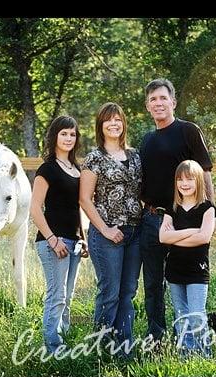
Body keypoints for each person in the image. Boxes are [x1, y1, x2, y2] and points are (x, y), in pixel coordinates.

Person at [139, 78, 215, 343]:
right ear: (147, 107)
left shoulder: (188, 131)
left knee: (187, 279)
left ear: (173, 101)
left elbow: (204, 172)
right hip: (151, 220)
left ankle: (191, 341)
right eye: (152, 100)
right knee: (153, 284)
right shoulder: (146, 141)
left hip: (186, 217)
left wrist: (210, 212)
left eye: (162, 98)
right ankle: (157, 337)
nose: (158, 103)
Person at [79, 102, 142, 356]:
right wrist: (105, 230)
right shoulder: (94, 158)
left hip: (135, 233)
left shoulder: (135, 155)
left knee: (128, 292)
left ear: (123, 123)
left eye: (118, 119)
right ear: (101, 125)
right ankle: (102, 349)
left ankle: (124, 348)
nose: (114, 123)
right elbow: (84, 199)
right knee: (109, 293)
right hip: (107, 236)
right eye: (108, 120)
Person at [30, 115, 88, 354]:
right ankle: (53, 347)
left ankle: (62, 341)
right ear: (54, 136)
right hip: (53, 241)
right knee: (57, 295)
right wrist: (53, 240)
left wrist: (83, 238)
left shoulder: (77, 169)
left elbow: (78, 208)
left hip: (74, 242)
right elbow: (35, 208)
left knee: (67, 297)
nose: (68, 138)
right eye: (64, 133)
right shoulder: (48, 169)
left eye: (72, 134)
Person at [158, 160, 216, 357]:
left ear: (198, 181)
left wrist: (176, 236)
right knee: (181, 315)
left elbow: (204, 237)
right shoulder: (172, 208)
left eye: (189, 179)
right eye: (180, 179)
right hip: (174, 270)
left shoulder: (207, 208)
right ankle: (186, 355)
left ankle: (204, 355)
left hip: (197, 271)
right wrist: (191, 232)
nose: (184, 183)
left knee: (197, 315)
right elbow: (162, 237)